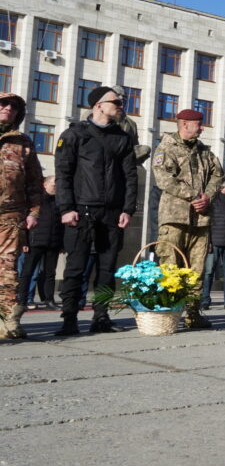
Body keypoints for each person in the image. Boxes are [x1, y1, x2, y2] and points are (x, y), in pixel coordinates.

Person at [54, 86, 137, 335]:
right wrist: (66, 208)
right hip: (81, 210)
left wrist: (127, 209)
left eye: (121, 102)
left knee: (107, 268)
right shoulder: (74, 134)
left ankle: (101, 316)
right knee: (75, 267)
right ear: (98, 105)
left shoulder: (122, 138)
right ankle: (69, 318)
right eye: (116, 102)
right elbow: (63, 174)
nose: (121, 105)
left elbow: (130, 176)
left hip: (112, 213)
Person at [152, 109, 224, 329]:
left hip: (200, 219)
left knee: (197, 269)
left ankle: (193, 313)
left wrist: (207, 197)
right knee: (170, 266)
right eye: (198, 124)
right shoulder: (166, 147)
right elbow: (164, 178)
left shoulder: (205, 151)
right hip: (174, 218)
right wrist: (193, 196)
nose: (201, 128)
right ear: (184, 124)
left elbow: (218, 175)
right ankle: (169, 312)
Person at [0, 93, 42, 339]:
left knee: (7, 271)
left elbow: (34, 181)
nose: (8, 108)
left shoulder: (23, 142)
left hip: (10, 216)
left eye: (14, 106)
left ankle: (8, 321)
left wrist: (34, 212)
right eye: (3, 104)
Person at [17, 175, 61, 311]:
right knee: (27, 271)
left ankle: (49, 300)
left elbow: (61, 224)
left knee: (50, 273)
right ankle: (22, 300)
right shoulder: (36, 201)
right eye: (53, 184)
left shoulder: (60, 201)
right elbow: (26, 222)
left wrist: (62, 243)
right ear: (45, 185)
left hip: (53, 242)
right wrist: (24, 241)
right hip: (35, 241)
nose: (56, 186)